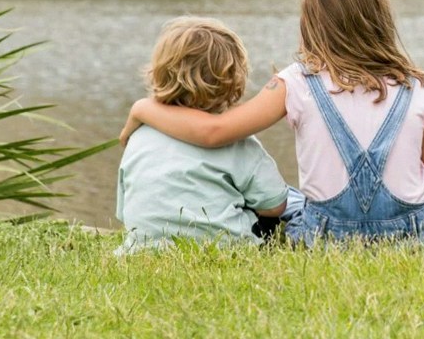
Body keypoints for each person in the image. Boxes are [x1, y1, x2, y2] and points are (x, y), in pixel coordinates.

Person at [120, 0, 424, 243]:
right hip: (412, 237)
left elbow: (215, 132)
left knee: (291, 199)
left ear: (312, 21)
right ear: (381, 18)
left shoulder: (295, 82)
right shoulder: (415, 87)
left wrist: (143, 108)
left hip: (325, 238)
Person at [114, 17, 291, 254]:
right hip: (227, 249)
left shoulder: (139, 137)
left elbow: (123, 210)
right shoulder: (237, 143)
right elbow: (275, 206)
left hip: (143, 249)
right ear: (234, 82)